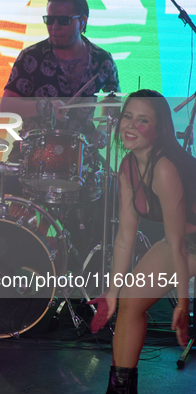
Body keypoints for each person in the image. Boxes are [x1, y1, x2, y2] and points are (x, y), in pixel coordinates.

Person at [88, 90, 196, 393]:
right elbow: (125, 236)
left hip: (187, 241)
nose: (131, 125)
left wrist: (183, 305)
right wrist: (111, 292)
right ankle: (120, 389)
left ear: (159, 128)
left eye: (143, 120)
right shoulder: (128, 167)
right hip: (186, 240)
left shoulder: (164, 167)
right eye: (127, 116)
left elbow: (175, 243)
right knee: (129, 302)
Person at [0, 0, 120, 161]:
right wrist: (44, 107)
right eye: (49, 20)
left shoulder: (102, 60)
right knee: (8, 183)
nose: (54, 27)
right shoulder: (30, 56)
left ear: (82, 21)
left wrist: (104, 128)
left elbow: (114, 99)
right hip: (33, 150)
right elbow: (7, 105)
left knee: (109, 183)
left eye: (63, 20)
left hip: (81, 152)